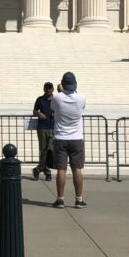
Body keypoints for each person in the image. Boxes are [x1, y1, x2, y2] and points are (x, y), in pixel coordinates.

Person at [51, 71, 87, 208]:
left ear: (63, 84)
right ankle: (79, 199)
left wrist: (60, 90)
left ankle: (60, 199)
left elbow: (53, 109)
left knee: (61, 169)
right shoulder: (81, 98)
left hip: (60, 137)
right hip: (76, 138)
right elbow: (81, 105)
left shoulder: (56, 98)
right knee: (77, 169)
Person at [32, 82, 55, 181]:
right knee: (43, 150)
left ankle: (38, 169)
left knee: (50, 150)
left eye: (50, 89)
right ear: (44, 89)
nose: (48, 90)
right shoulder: (40, 99)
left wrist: (56, 113)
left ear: (53, 89)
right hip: (42, 127)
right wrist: (39, 114)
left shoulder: (56, 99)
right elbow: (34, 110)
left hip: (53, 127)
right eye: (46, 88)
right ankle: (47, 172)